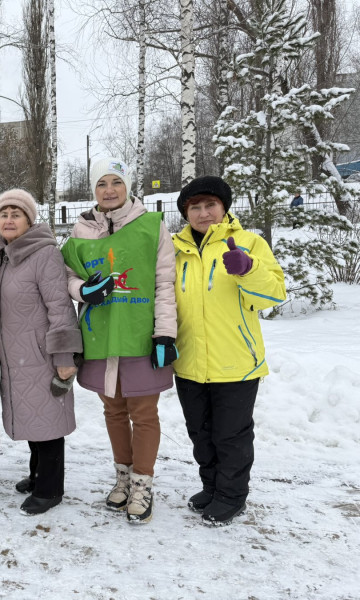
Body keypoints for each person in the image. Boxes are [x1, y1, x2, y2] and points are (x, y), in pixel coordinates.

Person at [61, 157, 177, 524]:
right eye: (101, 184)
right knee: (113, 411)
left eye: (116, 182)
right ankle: (123, 477)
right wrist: (82, 290)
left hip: (140, 333)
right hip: (99, 335)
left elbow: (164, 283)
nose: (109, 190)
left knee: (143, 413)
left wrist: (165, 333)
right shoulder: (81, 230)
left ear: (127, 186)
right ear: (92, 190)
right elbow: (64, 275)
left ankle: (143, 482)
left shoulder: (150, 226)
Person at [173, 175, 286, 525]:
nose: (203, 213)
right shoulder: (176, 251)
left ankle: (232, 495)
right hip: (189, 361)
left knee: (231, 436)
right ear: (186, 213)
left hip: (236, 361)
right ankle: (211, 486)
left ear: (224, 208)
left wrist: (248, 270)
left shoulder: (249, 243)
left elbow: (273, 295)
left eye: (210, 205)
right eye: (195, 207)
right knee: (200, 432)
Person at [0, 189, 82, 516]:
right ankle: (37, 475)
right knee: (34, 419)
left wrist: (64, 358)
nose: (9, 219)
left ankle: (50, 489)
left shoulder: (44, 254)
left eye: (16, 214)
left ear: (30, 220)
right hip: (14, 358)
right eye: (4, 214)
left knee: (48, 425)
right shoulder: (2, 255)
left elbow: (60, 307)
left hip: (41, 356)